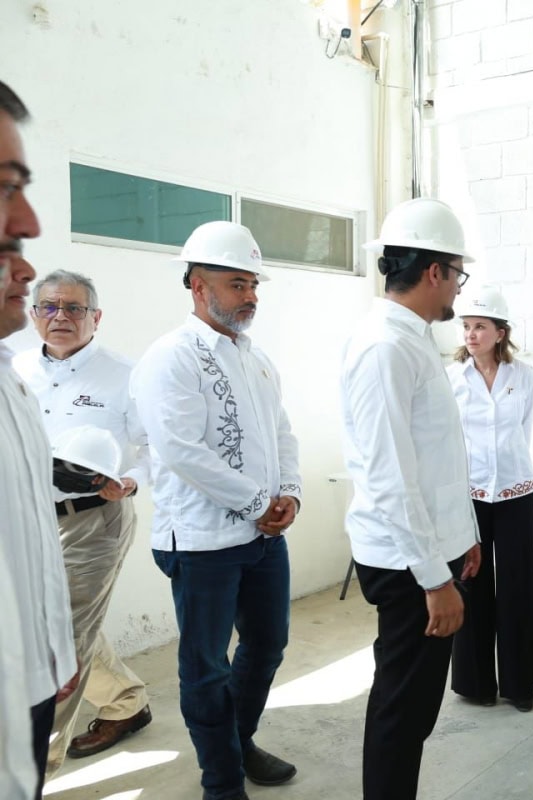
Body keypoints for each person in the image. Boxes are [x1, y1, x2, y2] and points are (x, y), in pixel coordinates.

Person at [130, 221, 302, 800]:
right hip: (202, 542)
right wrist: (257, 503)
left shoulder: (255, 357)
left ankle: (238, 740)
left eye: (253, 284)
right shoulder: (171, 357)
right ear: (198, 285)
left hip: (263, 539)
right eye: (237, 284)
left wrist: (290, 492)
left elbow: (281, 433)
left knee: (268, 645)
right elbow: (179, 449)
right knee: (207, 665)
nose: (250, 296)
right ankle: (222, 783)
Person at [340, 197, 482, 800]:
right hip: (407, 566)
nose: (457, 291)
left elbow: (438, 457)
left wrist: (463, 536)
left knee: (416, 705)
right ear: (434, 271)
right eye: (457, 276)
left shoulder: (411, 338)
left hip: (428, 551)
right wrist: (434, 578)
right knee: (402, 710)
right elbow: (389, 477)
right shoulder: (386, 347)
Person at [15, 270, 153, 774]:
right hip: (23, 520)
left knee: (60, 645)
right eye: (50, 307)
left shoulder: (127, 375)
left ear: (96, 317)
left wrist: (131, 480)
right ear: (34, 315)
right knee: (51, 627)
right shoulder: (15, 370)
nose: (61, 317)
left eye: (74, 308)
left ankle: (34, 769)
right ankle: (124, 701)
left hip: (91, 522)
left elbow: (157, 447)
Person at [0, 80, 78, 800]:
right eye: (6, 188)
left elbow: (27, 542)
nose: (28, 223)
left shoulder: (9, 382)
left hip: (29, 677)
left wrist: (56, 652)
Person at [447, 285, 533, 712]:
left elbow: (524, 431)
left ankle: (521, 684)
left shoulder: (524, 376)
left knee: (519, 586)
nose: (471, 334)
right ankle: (475, 683)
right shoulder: (451, 377)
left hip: (516, 491)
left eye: (480, 326)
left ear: (500, 332)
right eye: (467, 326)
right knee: (471, 583)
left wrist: (508, 472)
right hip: (468, 494)